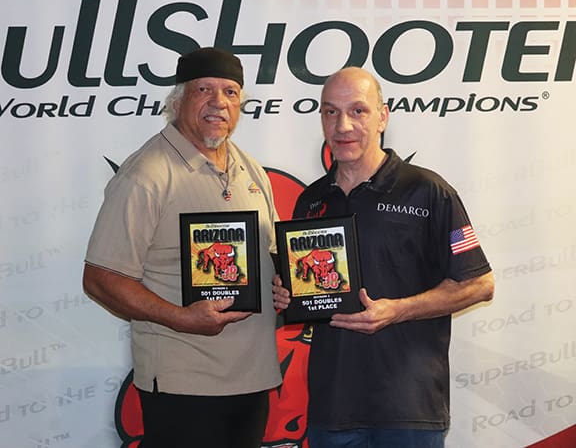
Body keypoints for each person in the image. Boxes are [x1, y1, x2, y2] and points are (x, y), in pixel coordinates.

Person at [273, 67, 495, 448]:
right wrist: (288, 295)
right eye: (330, 112)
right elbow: (312, 295)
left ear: (382, 117)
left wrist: (398, 310)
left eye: (357, 111)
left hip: (407, 410)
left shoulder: (429, 191)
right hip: (332, 411)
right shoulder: (311, 200)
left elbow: (480, 284)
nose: (343, 125)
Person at [83, 47, 282, 448]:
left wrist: (283, 287)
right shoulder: (147, 174)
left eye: (230, 92)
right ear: (177, 101)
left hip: (253, 381)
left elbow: (272, 254)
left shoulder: (249, 168)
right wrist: (181, 318)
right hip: (184, 386)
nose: (218, 102)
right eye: (203, 90)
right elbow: (101, 279)